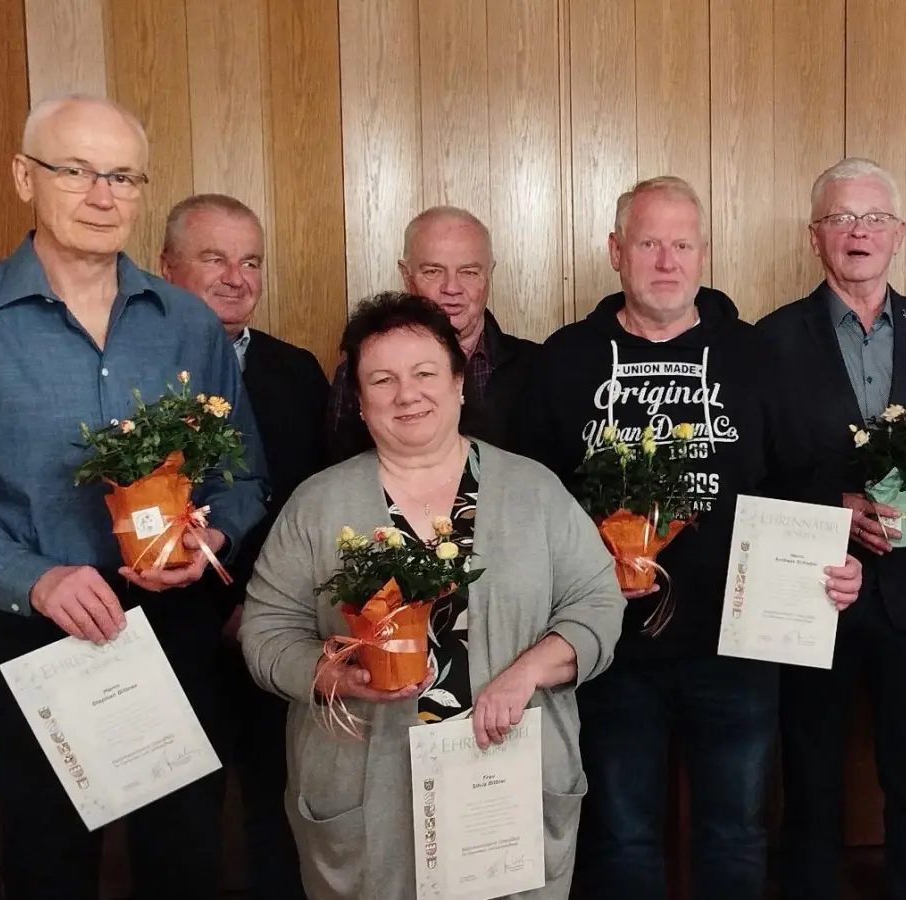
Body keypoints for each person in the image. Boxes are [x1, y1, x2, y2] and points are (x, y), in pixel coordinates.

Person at [0, 94, 268, 898]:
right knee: (49, 867)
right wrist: (36, 578)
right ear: (25, 177)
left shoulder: (189, 323)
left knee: (185, 862)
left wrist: (212, 540)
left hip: (174, 637)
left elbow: (244, 477)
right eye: (76, 171)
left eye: (122, 177)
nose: (101, 195)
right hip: (36, 644)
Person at [504, 175, 864, 900]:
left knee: (735, 833)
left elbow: (807, 481)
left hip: (737, 642)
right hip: (604, 645)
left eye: (681, 244)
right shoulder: (563, 361)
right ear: (615, 252)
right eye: (648, 243)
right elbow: (528, 498)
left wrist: (836, 562)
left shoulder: (758, 356)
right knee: (622, 834)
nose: (665, 261)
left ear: (702, 254)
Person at [240, 291, 625, 898]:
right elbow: (264, 632)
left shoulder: (534, 490)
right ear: (361, 404)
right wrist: (334, 674)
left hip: (505, 783)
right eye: (382, 380)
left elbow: (598, 606)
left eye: (424, 373)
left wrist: (524, 674)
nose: (406, 394)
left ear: (459, 383)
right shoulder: (318, 504)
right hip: (366, 795)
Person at [756, 157, 906, 899]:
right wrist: (833, 509)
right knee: (811, 782)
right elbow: (757, 475)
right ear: (815, 236)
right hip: (811, 592)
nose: (859, 232)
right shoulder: (773, 339)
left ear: (899, 234)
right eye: (842, 219)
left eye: (874, 219)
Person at [160, 192, 328, 900]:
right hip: (161, 633)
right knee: (174, 824)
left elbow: (314, 504)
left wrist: (260, 608)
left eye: (251, 260)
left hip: (274, 630)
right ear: (166, 268)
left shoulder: (297, 372)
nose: (237, 276)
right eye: (214, 258)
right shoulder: (127, 370)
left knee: (279, 814)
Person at [324, 205, 536, 461]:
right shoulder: (361, 371)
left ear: (488, 275)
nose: (452, 288)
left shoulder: (537, 366)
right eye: (433, 271)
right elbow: (337, 474)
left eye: (468, 272)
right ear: (406, 275)